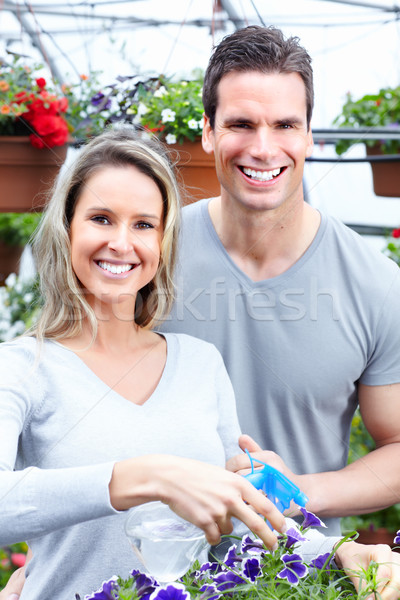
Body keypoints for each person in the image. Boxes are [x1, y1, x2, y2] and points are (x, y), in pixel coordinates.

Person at [1, 127, 400, 600]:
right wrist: (145, 476)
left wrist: (336, 552)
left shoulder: (198, 363)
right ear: (67, 228)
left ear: (165, 244)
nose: (122, 243)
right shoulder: (23, 367)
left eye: (144, 225)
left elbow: (242, 523)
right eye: (101, 218)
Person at [159, 25, 400, 536]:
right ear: (207, 131)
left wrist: (300, 491)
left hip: (294, 579)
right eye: (241, 123)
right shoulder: (148, 257)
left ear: (309, 135)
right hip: (146, 572)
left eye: (285, 125)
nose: (264, 148)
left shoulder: (378, 285)